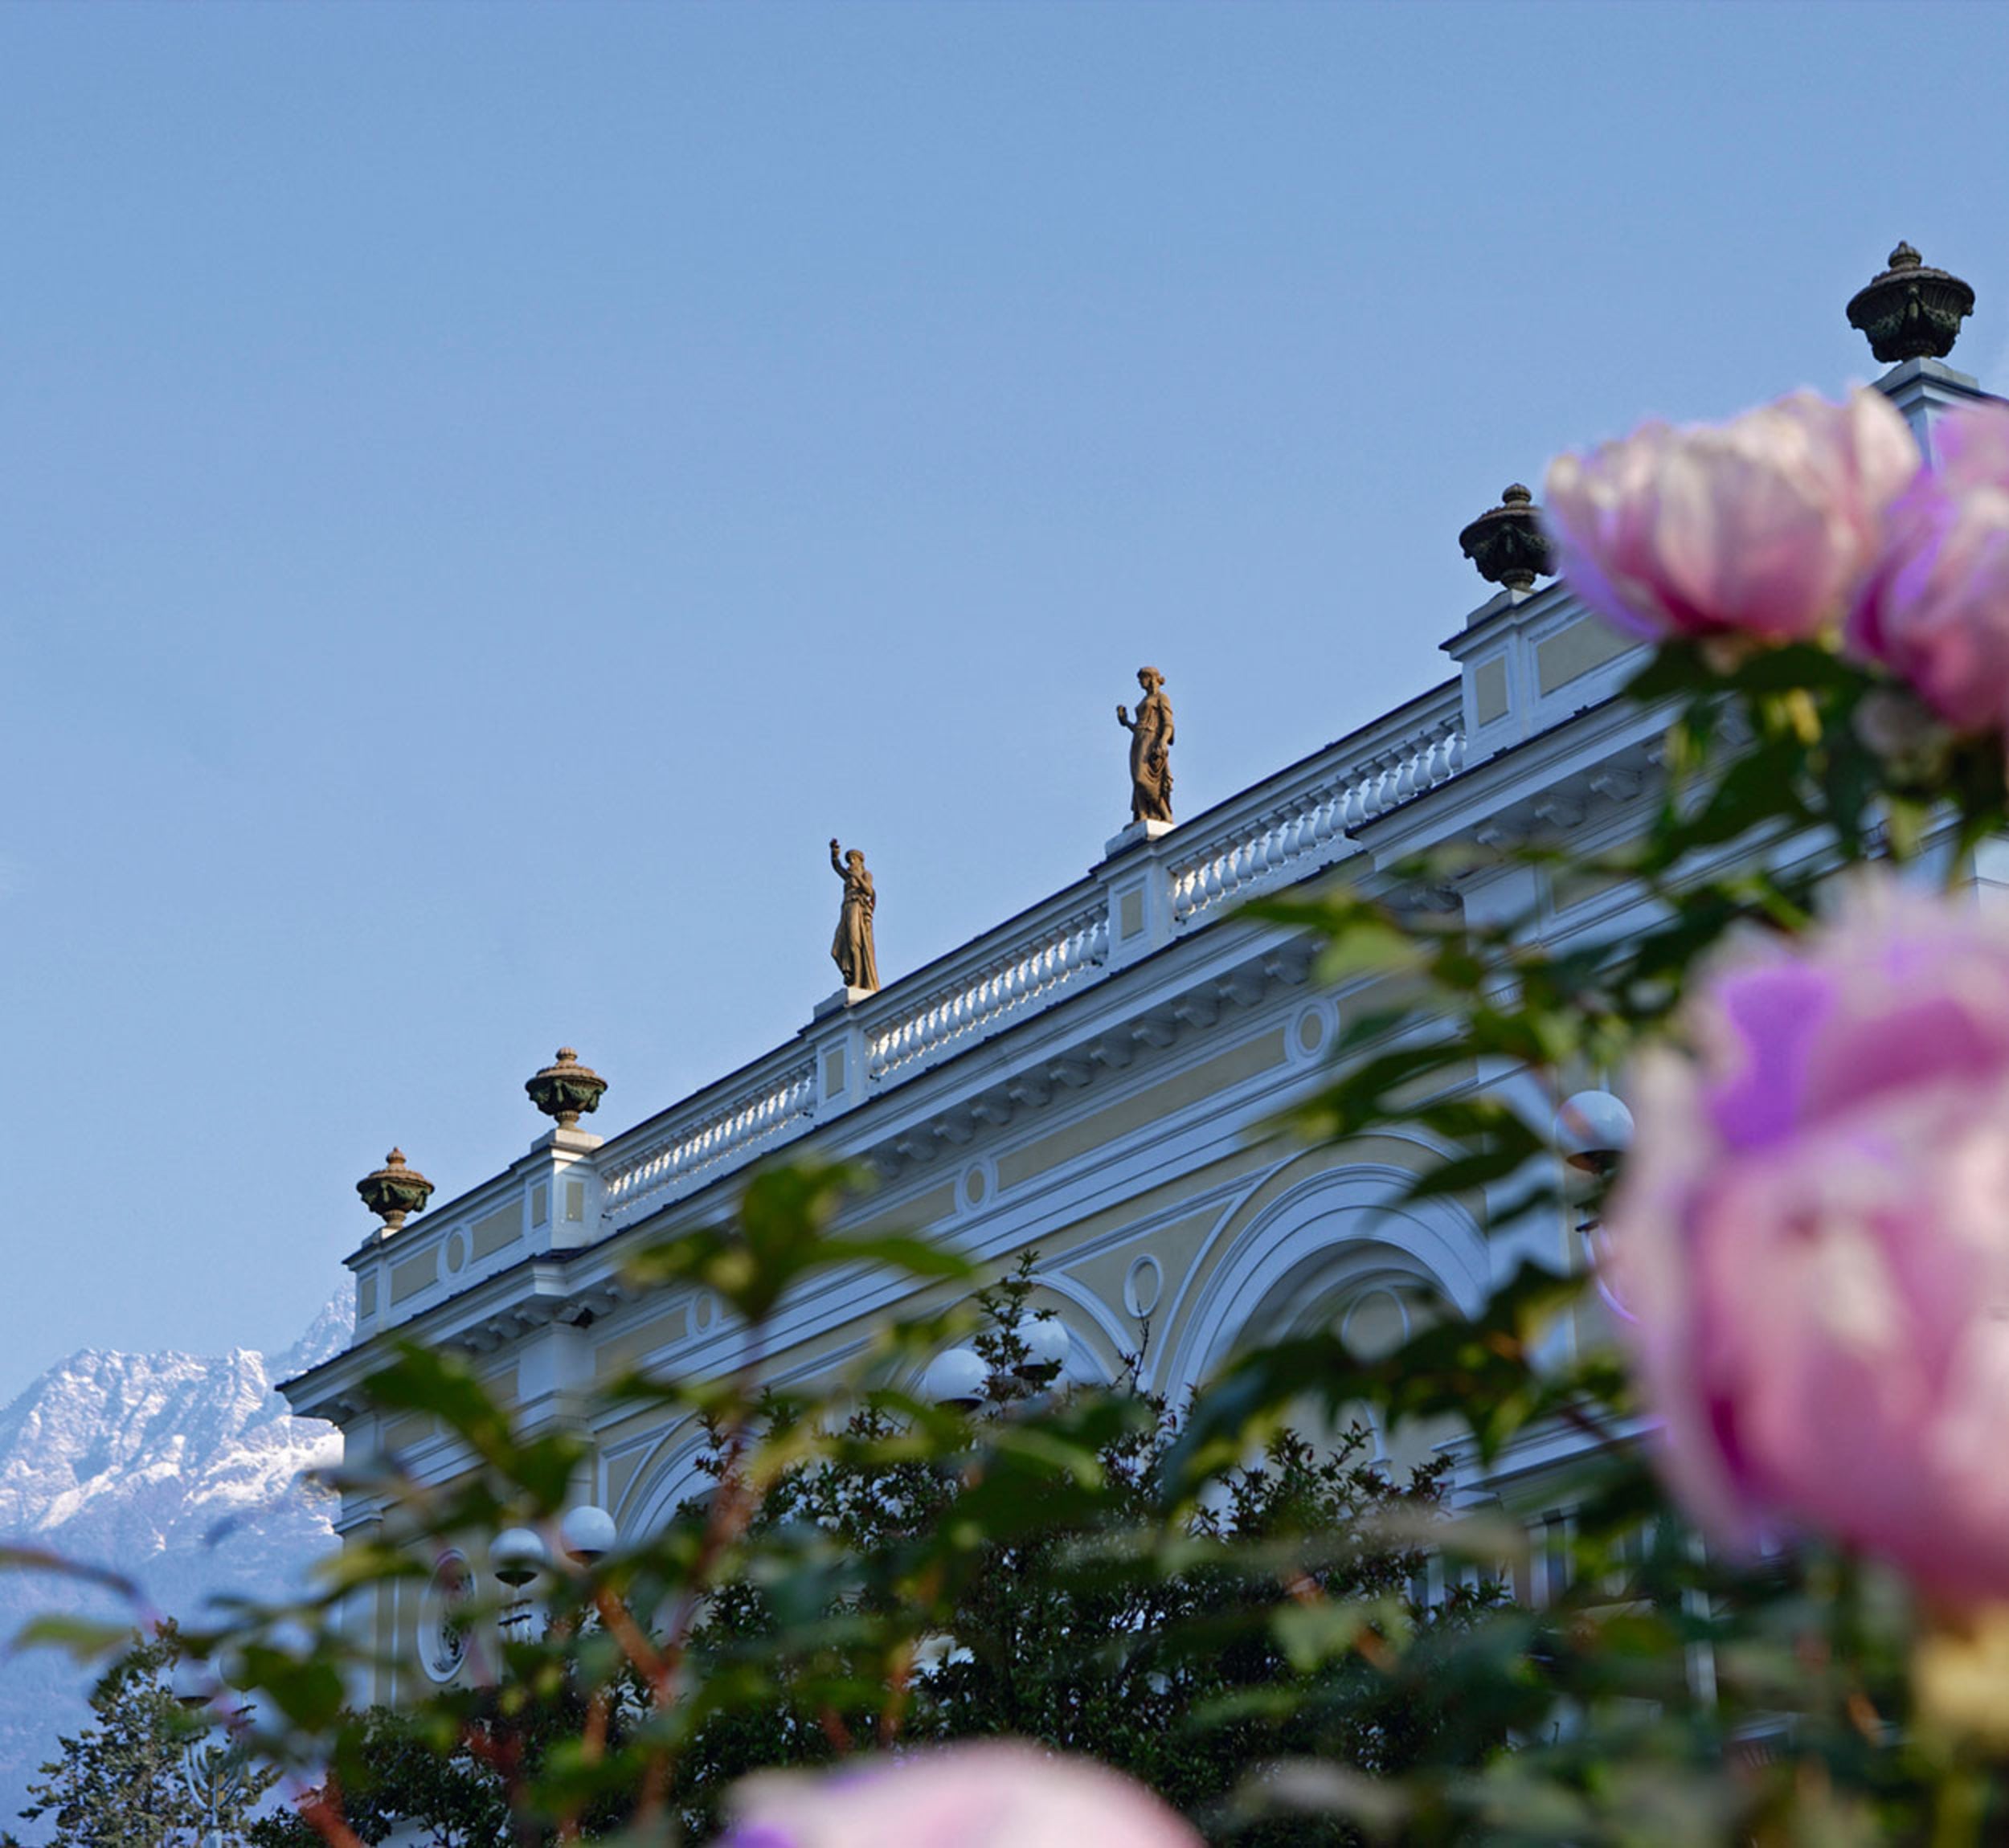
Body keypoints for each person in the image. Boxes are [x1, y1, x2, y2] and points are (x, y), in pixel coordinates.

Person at [1115, 665, 1175, 824]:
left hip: (1151, 739)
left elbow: (1168, 723)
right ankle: (1142, 815)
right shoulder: (1144, 700)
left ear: (1151, 678)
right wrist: (1126, 721)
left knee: (1144, 778)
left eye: (1142, 678)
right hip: (1138, 739)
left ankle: (1165, 814)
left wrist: (1163, 741)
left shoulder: (1161, 698)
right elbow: (1138, 726)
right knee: (1137, 779)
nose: (1140, 682)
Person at [829, 839, 880, 992]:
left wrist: (857, 877)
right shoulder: (849, 876)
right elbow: (838, 868)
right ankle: (851, 975)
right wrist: (834, 855)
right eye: (849, 859)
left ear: (860, 861)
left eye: (853, 858)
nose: (850, 861)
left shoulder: (865, 874)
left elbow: (869, 891)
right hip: (846, 908)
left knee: (854, 943)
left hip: (857, 907)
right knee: (837, 947)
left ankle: (858, 981)